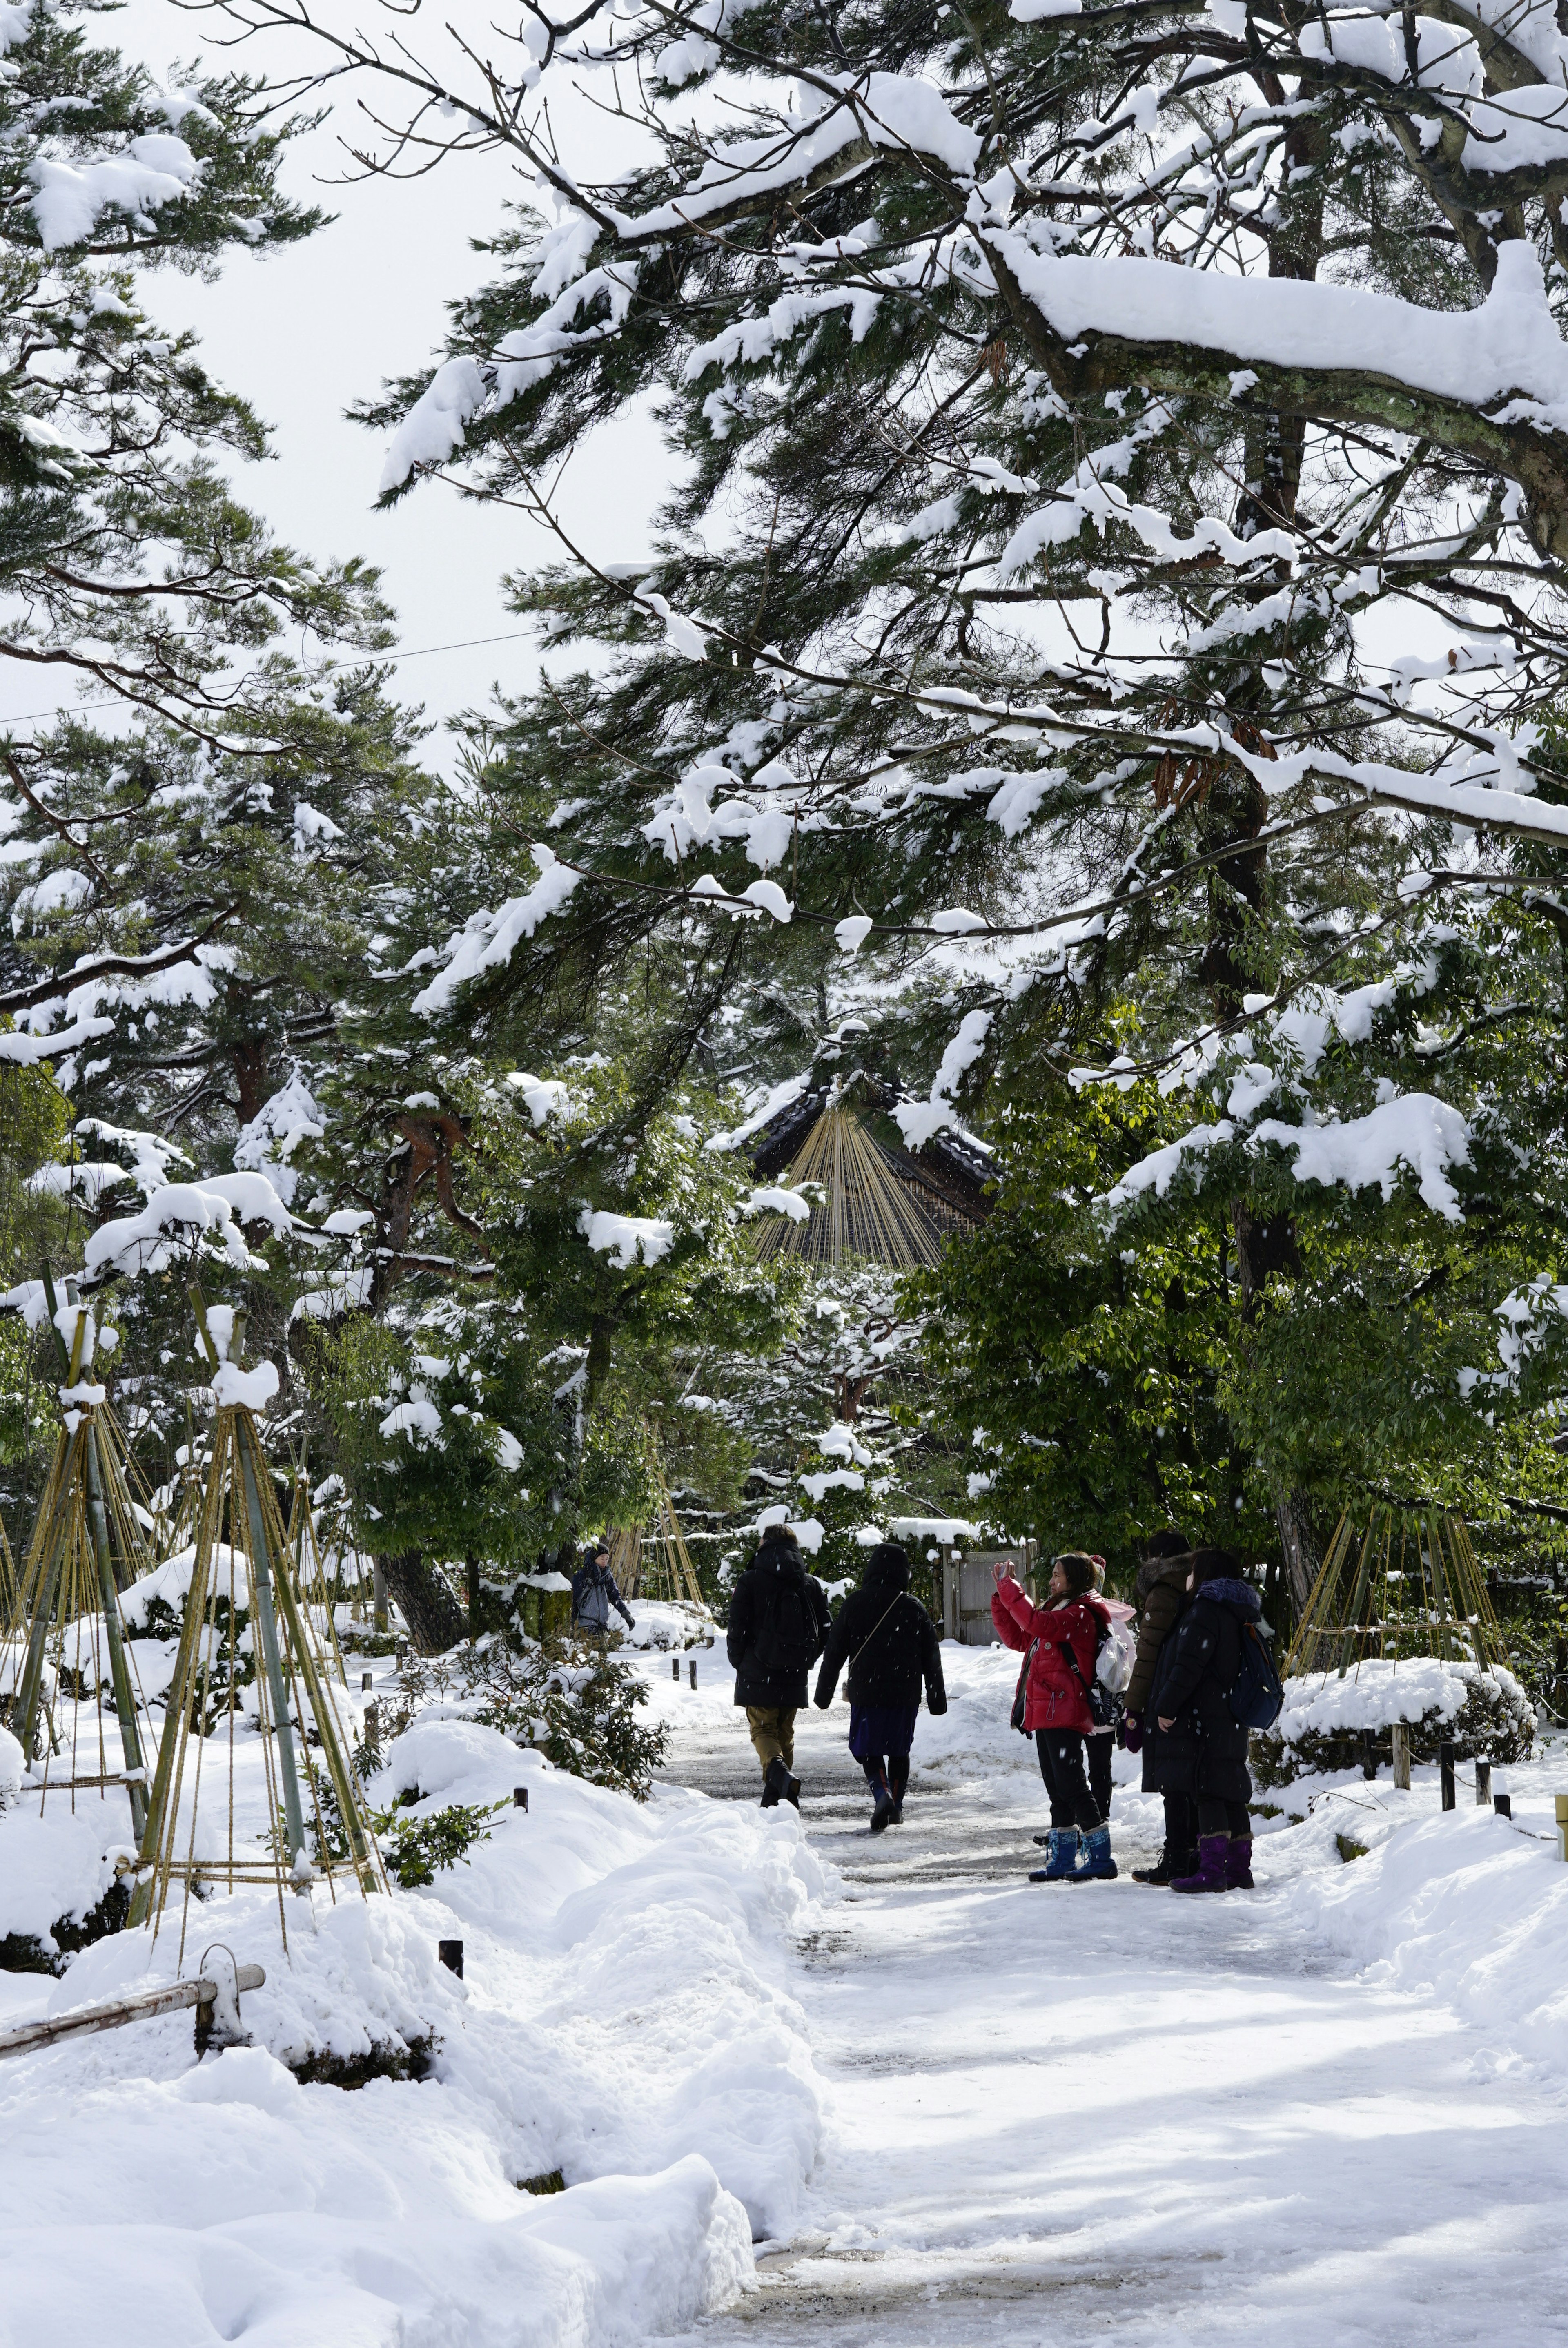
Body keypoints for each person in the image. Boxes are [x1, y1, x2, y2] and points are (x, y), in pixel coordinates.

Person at [991, 1552, 1117, 1884]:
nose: (1051, 1581)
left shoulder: (1080, 1613)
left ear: (1073, 1579)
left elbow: (1035, 1624)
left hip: (1064, 1710)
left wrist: (1010, 1589)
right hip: (1046, 1711)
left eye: (1057, 1575)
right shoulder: (1059, 1610)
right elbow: (1021, 1637)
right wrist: (1000, 1597)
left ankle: (1102, 1856)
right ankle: (1063, 1858)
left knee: (1073, 1786)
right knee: (1057, 1789)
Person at [1147, 1547, 1263, 1893]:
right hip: (1232, 1715)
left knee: (1208, 1789)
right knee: (1231, 1791)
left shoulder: (1205, 1610)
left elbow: (1188, 1666)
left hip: (1205, 1717)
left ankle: (1212, 1872)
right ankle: (1240, 1871)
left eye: (1193, 1570)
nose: (1188, 1576)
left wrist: (1166, 1706)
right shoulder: (1241, 1610)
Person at [813, 1541, 947, 1832]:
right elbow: (932, 1659)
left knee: (869, 1748)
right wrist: (937, 1699)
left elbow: (834, 1651)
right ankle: (896, 1807)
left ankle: (881, 1794)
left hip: (867, 1691)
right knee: (899, 1750)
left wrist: (823, 1693)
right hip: (905, 1693)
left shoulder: (855, 1603)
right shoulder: (914, 1607)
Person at [727, 1522, 831, 1808]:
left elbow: (737, 1626)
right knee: (785, 1734)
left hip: (758, 1670)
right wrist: (808, 1658)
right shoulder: (809, 1583)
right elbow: (825, 1628)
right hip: (794, 1672)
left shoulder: (750, 1580)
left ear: (764, 1543)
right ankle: (779, 1800)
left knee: (763, 1731)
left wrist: (739, 1659)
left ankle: (779, 1774)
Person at [1122, 1530, 1196, 1886]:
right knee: (1193, 1781)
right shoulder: (1198, 1584)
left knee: (1174, 1783)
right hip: (1197, 1695)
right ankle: (1196, 1854)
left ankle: (1177, 1858)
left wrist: (1133, 1709)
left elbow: (1148, 1654)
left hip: (1168, 1696)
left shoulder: (1164, 1589)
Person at [572, 1540, 635, 1636]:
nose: (605, 1562)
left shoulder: (607, 1576)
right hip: (584, 1626)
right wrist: (572, 1621)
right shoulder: (583, 1575)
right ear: (594, 1558)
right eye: (602, 1559)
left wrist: (626, 1614)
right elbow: (574, 1598)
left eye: (607, 1559)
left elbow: (615, 1596)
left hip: (602, 1626)